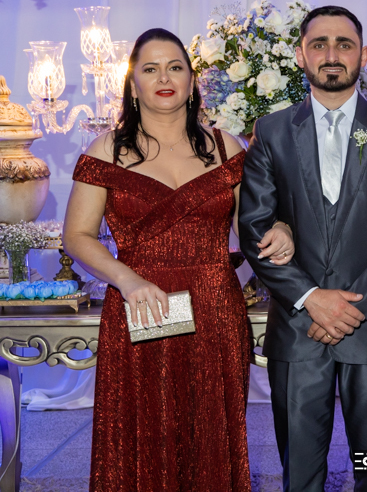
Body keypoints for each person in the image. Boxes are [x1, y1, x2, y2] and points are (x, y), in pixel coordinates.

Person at [63, 28, 294, 491]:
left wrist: (282, 228)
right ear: (133, 85)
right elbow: (77, 236)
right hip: (141, 306)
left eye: (175, 68)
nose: (164, 78)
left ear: (192, 81)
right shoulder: (107, 149)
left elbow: (252, 226)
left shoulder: (226, 147)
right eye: (150, 69)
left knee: (209, 433)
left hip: (214, 309)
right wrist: (127, 280)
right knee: (142, 432)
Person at [237, 6, 367, 492]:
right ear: (300, 55)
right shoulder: (271, 131)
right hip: (299, 327)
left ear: (363, 55)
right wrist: (311, 299)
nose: (331, 54)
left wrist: (353, 307)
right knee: (300, 472)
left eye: (344, 44)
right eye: (319, 44)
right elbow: (255, 226)